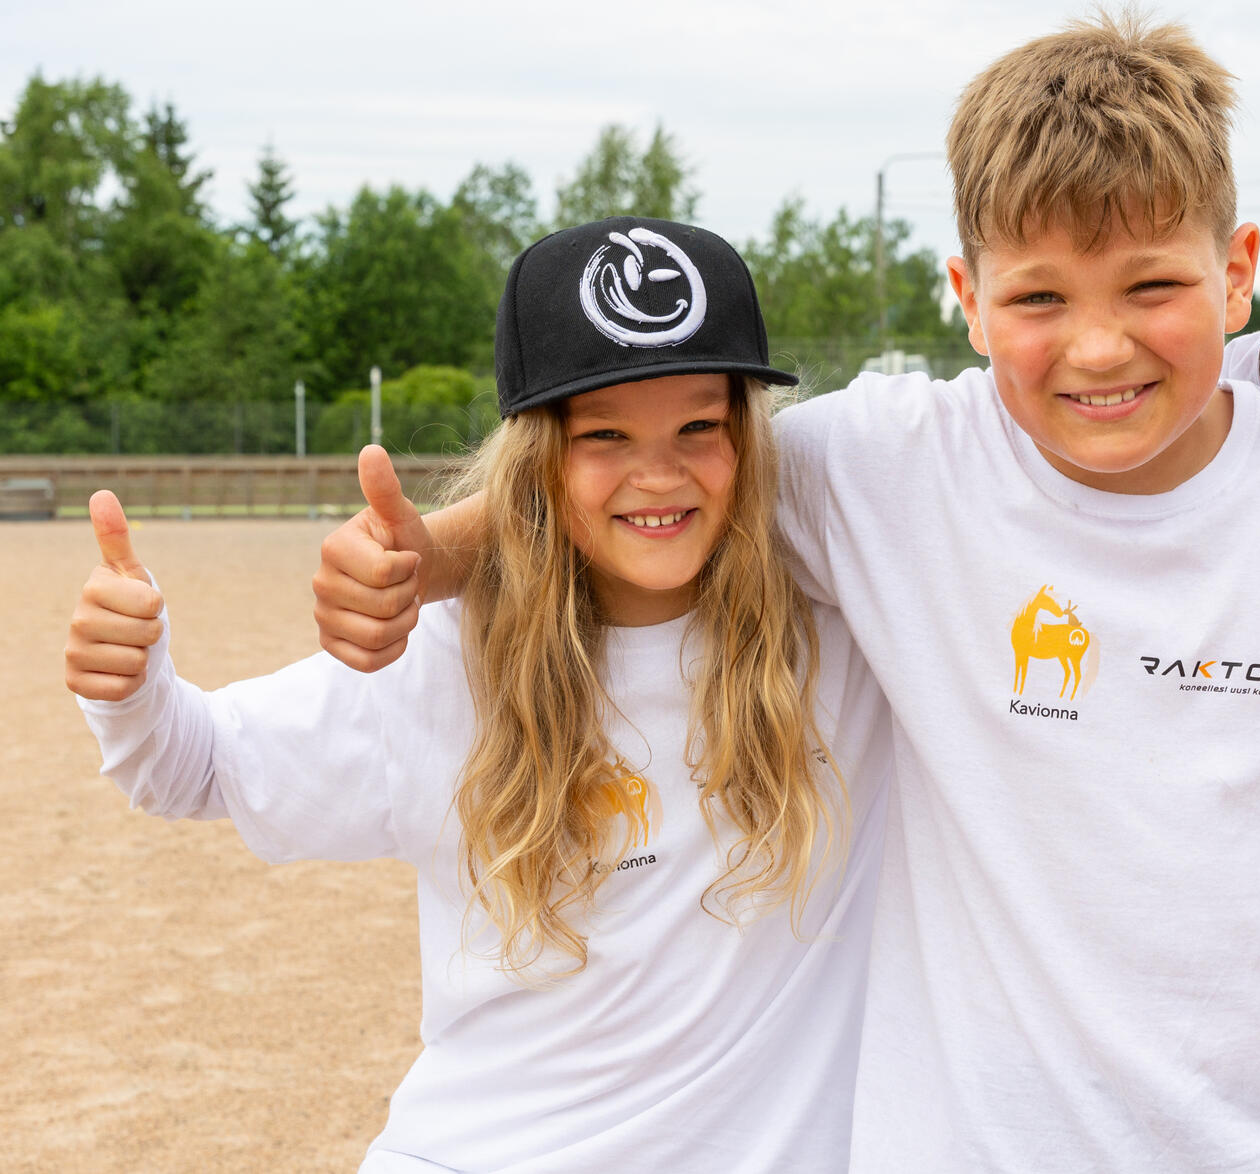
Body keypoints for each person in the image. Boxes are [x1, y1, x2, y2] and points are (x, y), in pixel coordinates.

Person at [311, 13, 1260, 1172]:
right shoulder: (893, 466)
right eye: (1040, 295)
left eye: (1155, 287)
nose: (1100, 344)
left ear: (1239, 268)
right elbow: (660, 474)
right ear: (966, 294)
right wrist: (426, 560)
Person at [63, 218, 899, 1173]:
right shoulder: (448, 656)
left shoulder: (851, 625)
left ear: (749, 435)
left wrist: (447, 548)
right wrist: (130, 684)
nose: (659, 473)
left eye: (699, 427)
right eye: (605, 434)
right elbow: (196, 764)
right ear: (536, 456)